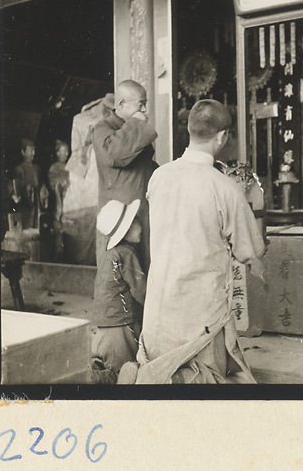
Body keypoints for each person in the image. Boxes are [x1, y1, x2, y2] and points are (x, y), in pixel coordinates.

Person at [121, 99, 266, 384]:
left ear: (189, 130)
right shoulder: (225, 188)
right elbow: (250, 250)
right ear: (222, 136)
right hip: (199, 316)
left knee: (158, 368)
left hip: (158, 311)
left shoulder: (159, 177)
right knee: (205, 380)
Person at [92, 80, 158, 270]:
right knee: (119, 276)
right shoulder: (103, 129)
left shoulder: (132, 130)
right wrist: (137, 122)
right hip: (119, 218)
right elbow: (116, 155)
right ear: (121, 104)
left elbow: (147, 167)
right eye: (141, 104)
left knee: (142, 270)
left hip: (142, 212)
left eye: (145, 104)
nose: (145, 109)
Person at [91, 198, 147, 384]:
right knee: (126, 375)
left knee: (108, 374)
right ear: (126, 230)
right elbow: (142, 293)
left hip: (103, 329)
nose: (141, 225)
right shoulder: (127, 253)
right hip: (120, 329)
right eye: (136, 221)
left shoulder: (110, 254)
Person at [12, 139, 49, 229]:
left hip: (37, 206)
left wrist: (43, 190)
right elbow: (16, 187)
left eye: (34, 150)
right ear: (23, 152)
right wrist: (15, 195)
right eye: (30, 151)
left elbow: (41, 185)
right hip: (26, 207)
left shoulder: (37, 169)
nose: (33, 153)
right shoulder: (19, 169)